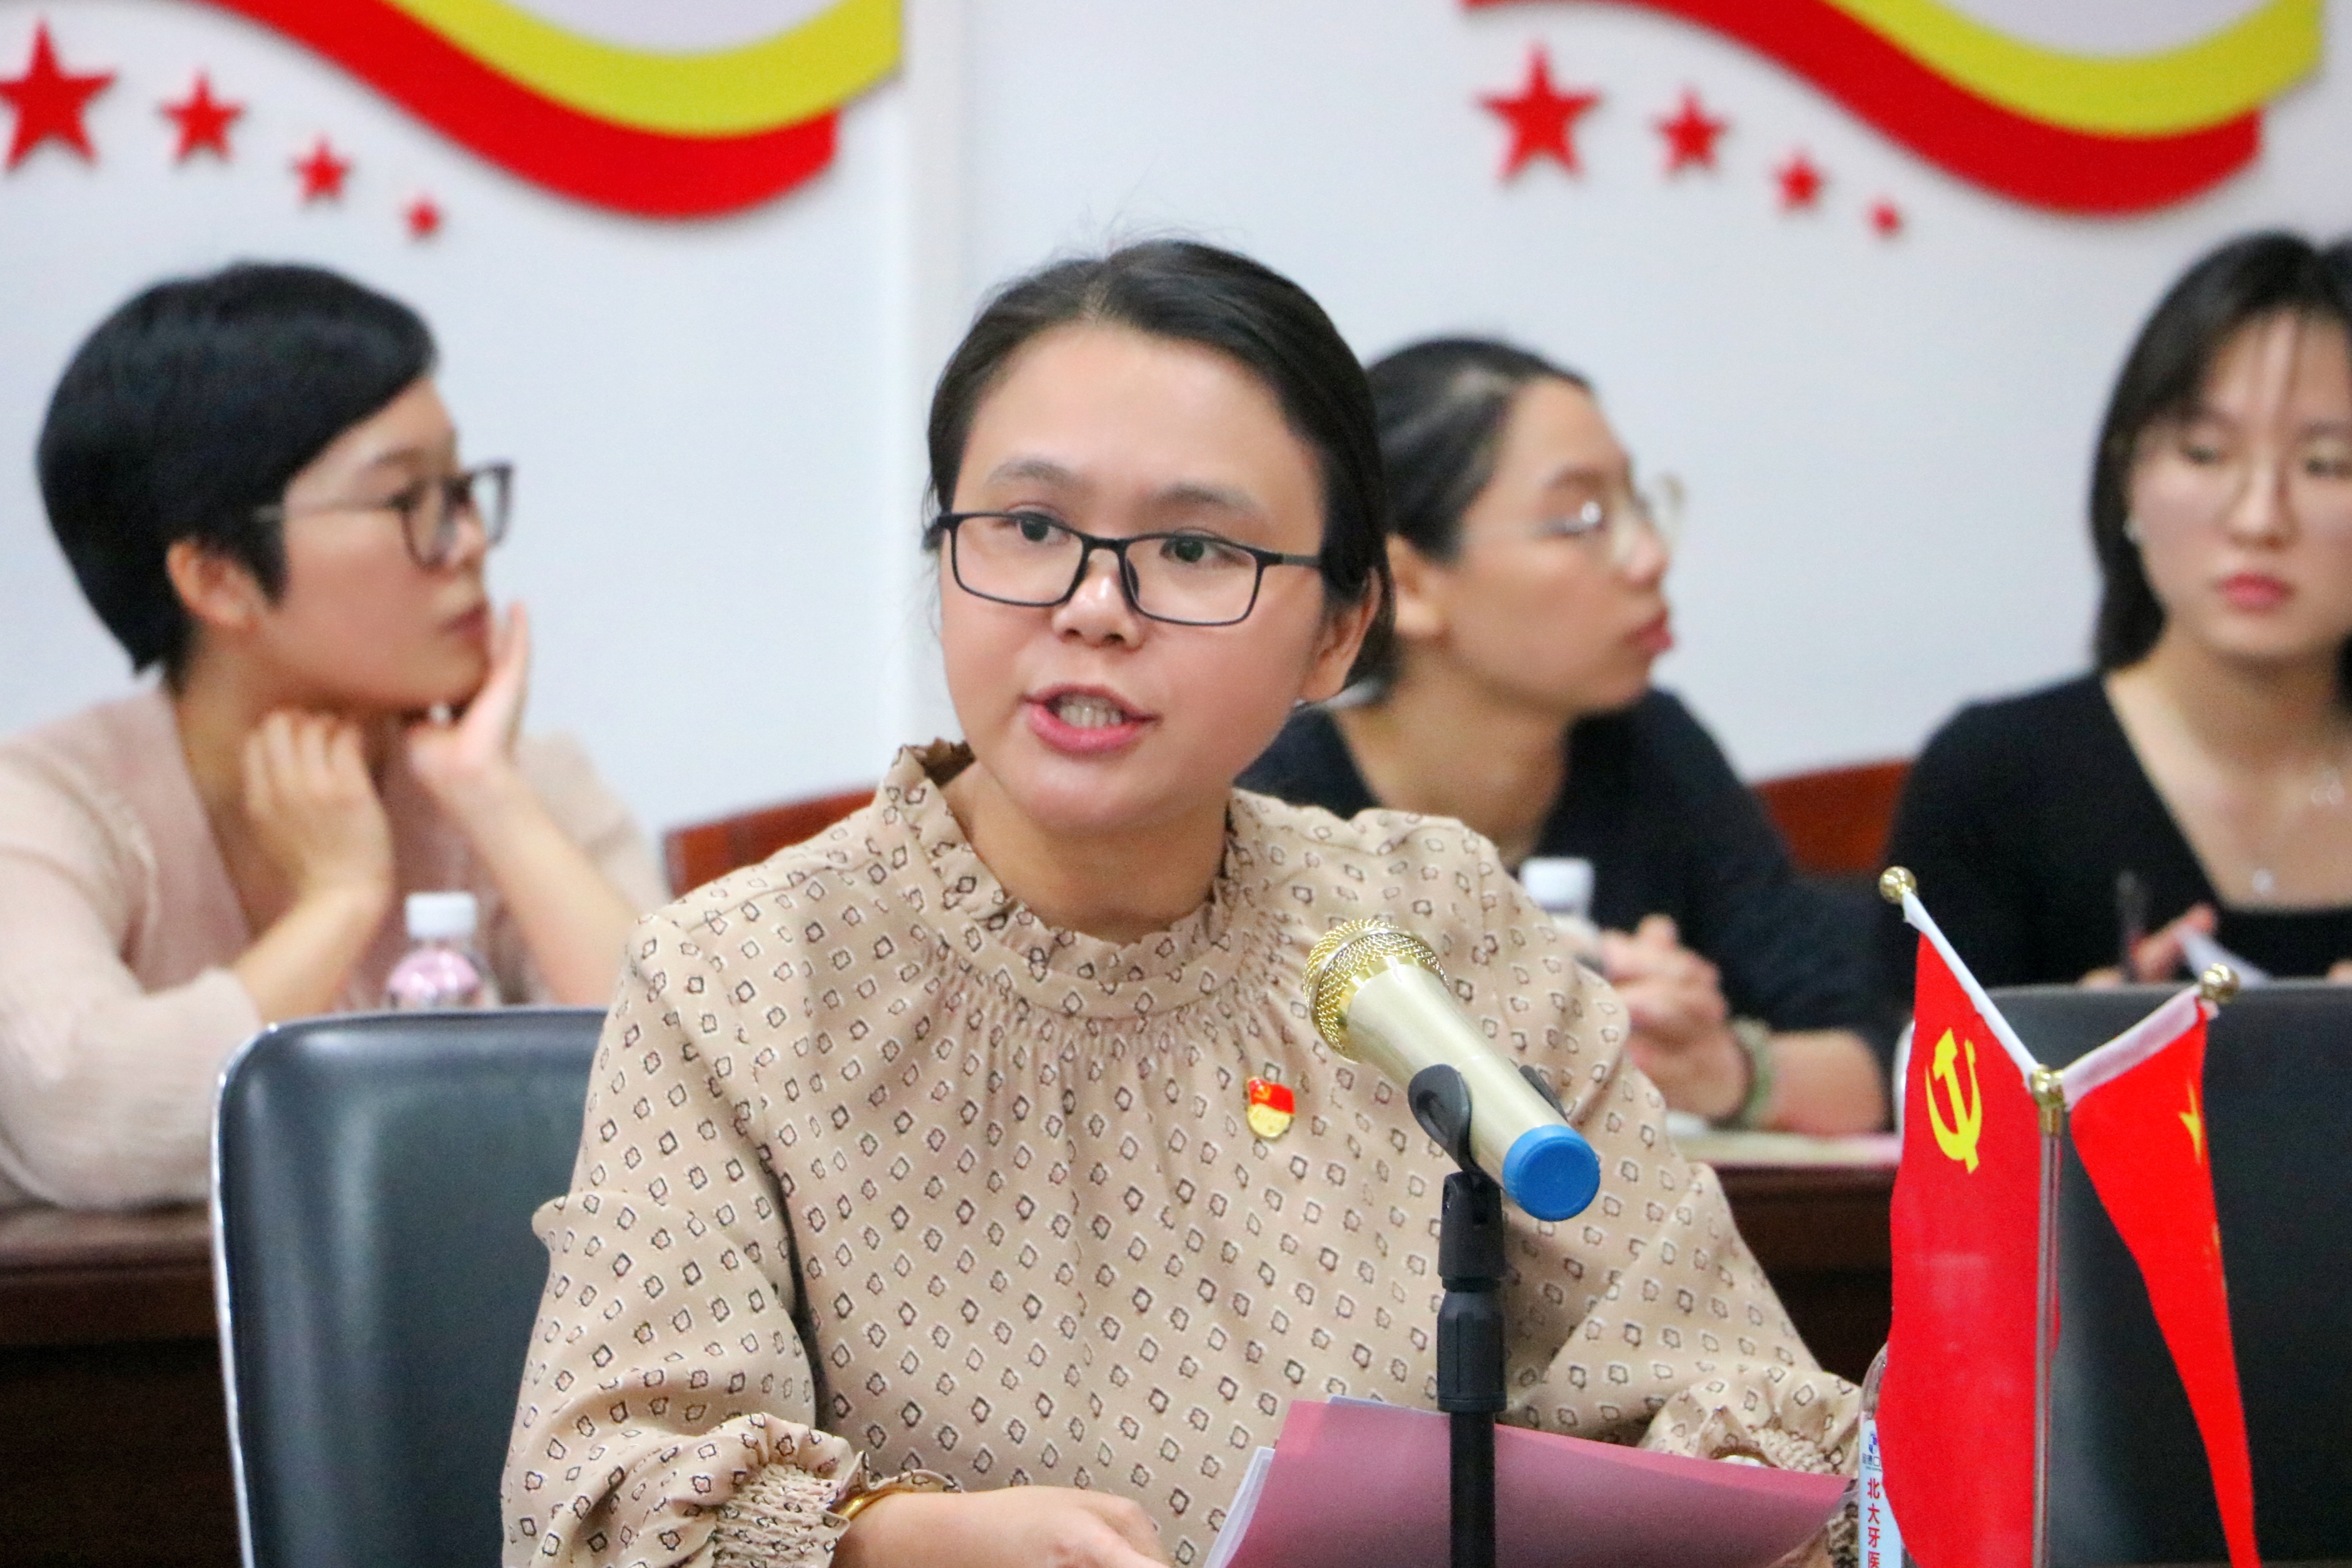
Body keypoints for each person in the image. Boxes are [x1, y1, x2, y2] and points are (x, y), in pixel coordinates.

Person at [501, 243, 1858, 1568]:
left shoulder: (1431, 928)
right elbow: (598, 1502)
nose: (1094, 605)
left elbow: (1732, 1402)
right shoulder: (742, 978)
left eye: (1195, 547)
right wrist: (887, 1542)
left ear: (1339, 631)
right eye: (1031, 529)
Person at [0, 263, 664, 1211]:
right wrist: (339, 899)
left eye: (460, 488)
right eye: (407, 501)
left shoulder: (519, 778)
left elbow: (694, 1092)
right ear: (219, 578)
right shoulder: (43, 805)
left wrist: (492, 800)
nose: (468, 542)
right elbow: (86, 1125)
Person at [1240, 339, 1887, 1136]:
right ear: (1409, 584)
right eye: (1581, 519)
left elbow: (1874, 1066)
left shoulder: (1653, 750)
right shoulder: (1266, 803)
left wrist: (1719, 1068)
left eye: (1638, 505)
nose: (1650, 557)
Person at [1880, 230, 2352, 994]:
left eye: (2326, 465)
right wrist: (2074, 1048)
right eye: (2205, 453)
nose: (2261, 518)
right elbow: (1912, 1060)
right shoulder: (1998, 779)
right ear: (2129, 474)